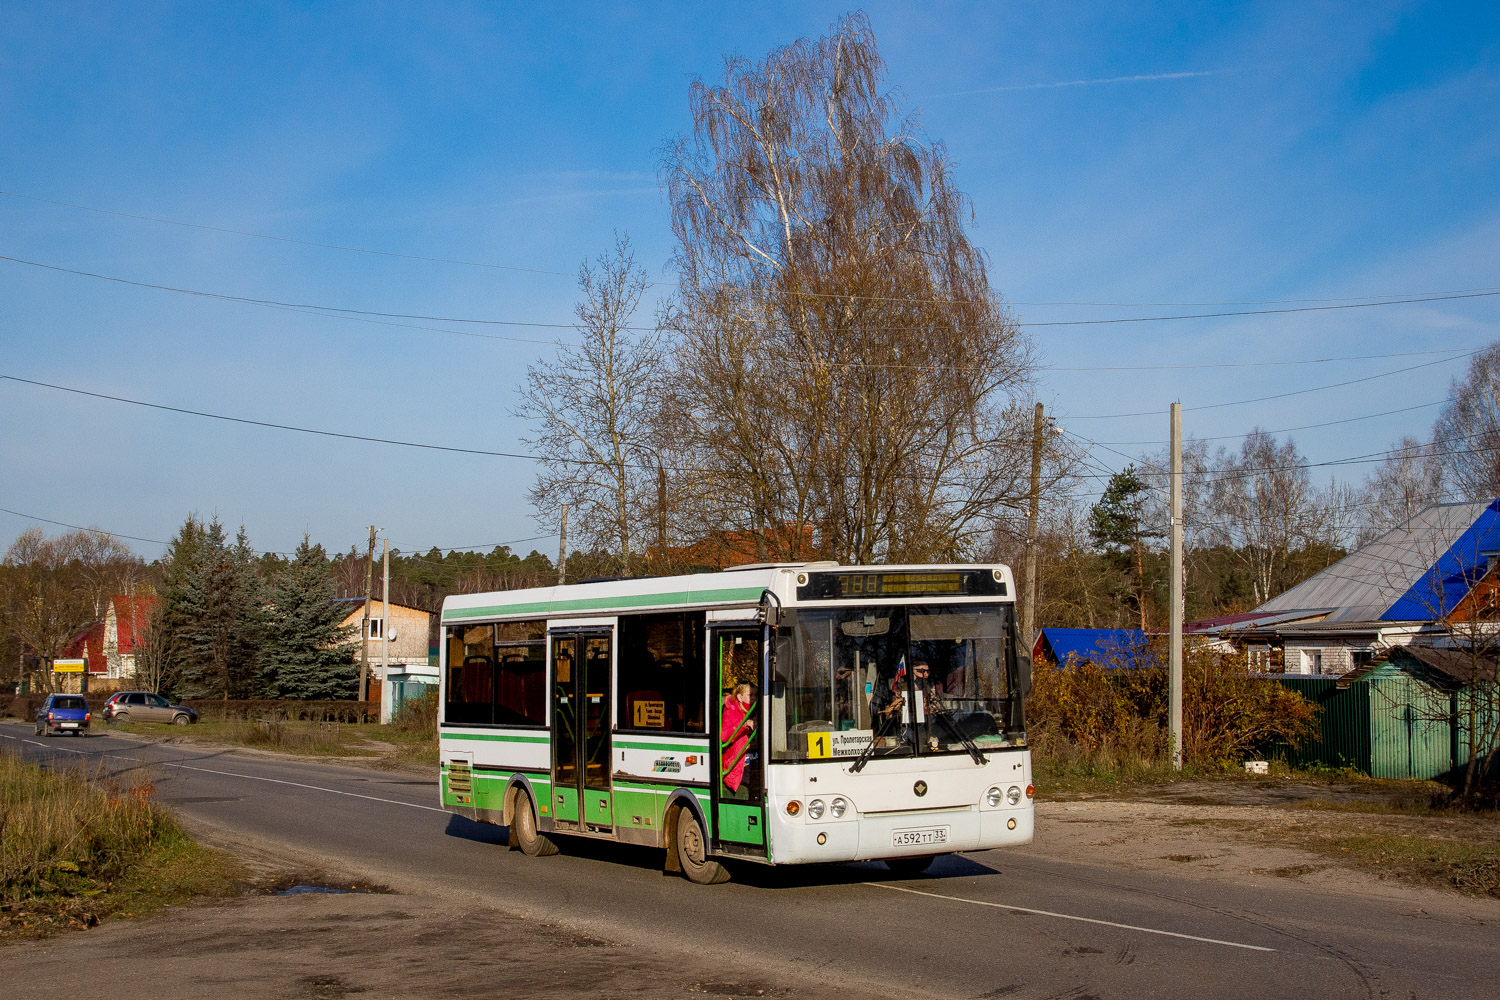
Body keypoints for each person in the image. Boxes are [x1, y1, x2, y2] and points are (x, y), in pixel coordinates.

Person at [720, 683, 756, 794]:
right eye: (750, 695)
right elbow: (724, 736)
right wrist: (744, 725)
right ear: (740, 697)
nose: (754, 698)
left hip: (754, 763)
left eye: (756, 695)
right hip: (737, 769)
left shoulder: (755, 712)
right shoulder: (730, 712)